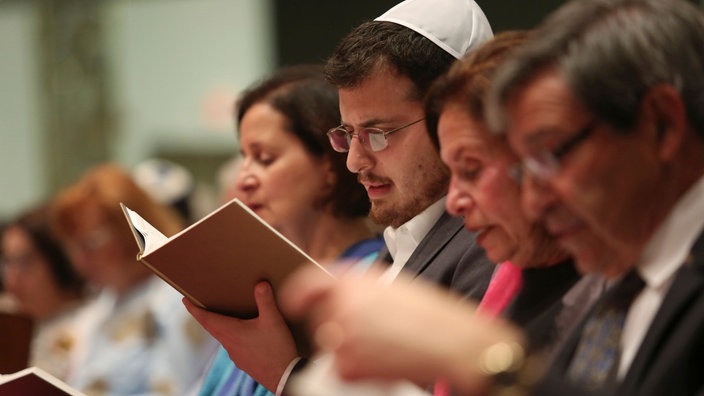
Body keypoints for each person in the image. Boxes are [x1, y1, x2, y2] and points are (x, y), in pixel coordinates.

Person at [283, 0, 704, 395]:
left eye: (550, 154)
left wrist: (484, 357)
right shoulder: (630, 283)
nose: (534, 199)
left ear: (661, 126)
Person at [185, 0, 497, 394]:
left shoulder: (485, 245)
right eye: (347, 134)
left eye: (378, 133)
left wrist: (286, 375)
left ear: (453, 120)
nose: (354, 161)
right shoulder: (397, 245)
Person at [185, 65, 384, 396]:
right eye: (244, 157)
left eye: (264, 158)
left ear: (328, 166)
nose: (243, 179)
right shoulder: (258, 282)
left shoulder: (378, 274)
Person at [51, 163, 217, 396]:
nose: (80, 261)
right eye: (72, 248)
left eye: (90, 244)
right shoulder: (105, 301)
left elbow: (171, 390)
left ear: (130, 232)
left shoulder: (176, 296)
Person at [1, 203, 87, 380]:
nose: (12, 279)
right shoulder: (17, 324)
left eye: (25, 262)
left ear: (60, 261)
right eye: (8, 263)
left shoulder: (91, 324)